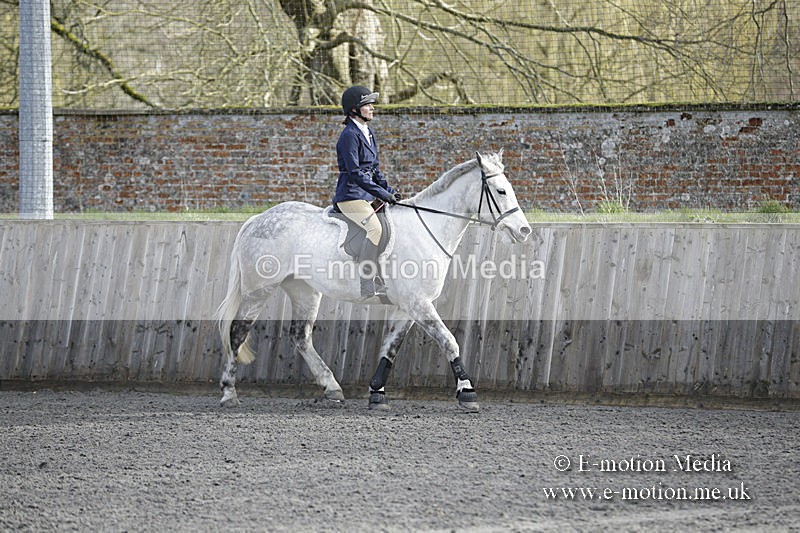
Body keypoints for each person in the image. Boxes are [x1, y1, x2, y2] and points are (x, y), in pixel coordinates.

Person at [333, 86, 401, 298]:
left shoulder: (367, 132)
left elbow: (374, 169)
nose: (372, 108)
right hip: (350, 196)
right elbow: (355, 173)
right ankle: (366, 282)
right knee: (375, 229)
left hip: (365, 196)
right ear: (354, 110)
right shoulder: (349, 136)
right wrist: (380, 192)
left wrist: (389, 191)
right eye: (367, 105)